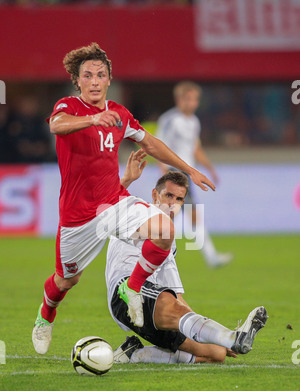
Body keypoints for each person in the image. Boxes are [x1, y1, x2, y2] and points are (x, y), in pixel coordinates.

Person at [32, 43, 215, 355]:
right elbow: (55, 125)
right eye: (87, 75)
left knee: (164, 230)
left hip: (113, 203)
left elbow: (152, 142)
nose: (93, 81)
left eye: (100, 75)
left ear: (108, 80)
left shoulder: (119, 113)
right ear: (77, 81)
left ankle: (132, 288)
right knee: (65, 281)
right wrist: (92, 120)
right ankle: (45, 316)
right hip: (78, 217)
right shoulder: (68, 108)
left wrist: (188, 168)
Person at [105, 158, 268, 365]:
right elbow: (108, 205)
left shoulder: (169, 244)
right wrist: (126, 180)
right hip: (125, 295)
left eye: (179, 199)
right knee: (179, 313)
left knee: (216, 354)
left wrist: (209, 334)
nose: (173, 203)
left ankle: (132, 354)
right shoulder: (138, 212)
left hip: (154, 305)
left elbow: (177, 296)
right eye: (168, 195)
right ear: (155, 195)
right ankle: (234, 337)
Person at [156, 81, 233, 268]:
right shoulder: (170, 120)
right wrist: (164, 173)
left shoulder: (194, 121)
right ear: (179, 99)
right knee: (175, 216)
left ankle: (209, 257)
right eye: (188, 99)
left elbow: (195, 149)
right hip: (174, 174)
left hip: (187, 174)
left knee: (177, 216)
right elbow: (158, 146)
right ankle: (209, 257)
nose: (192, 103)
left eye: (195, 99)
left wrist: (210, 169)